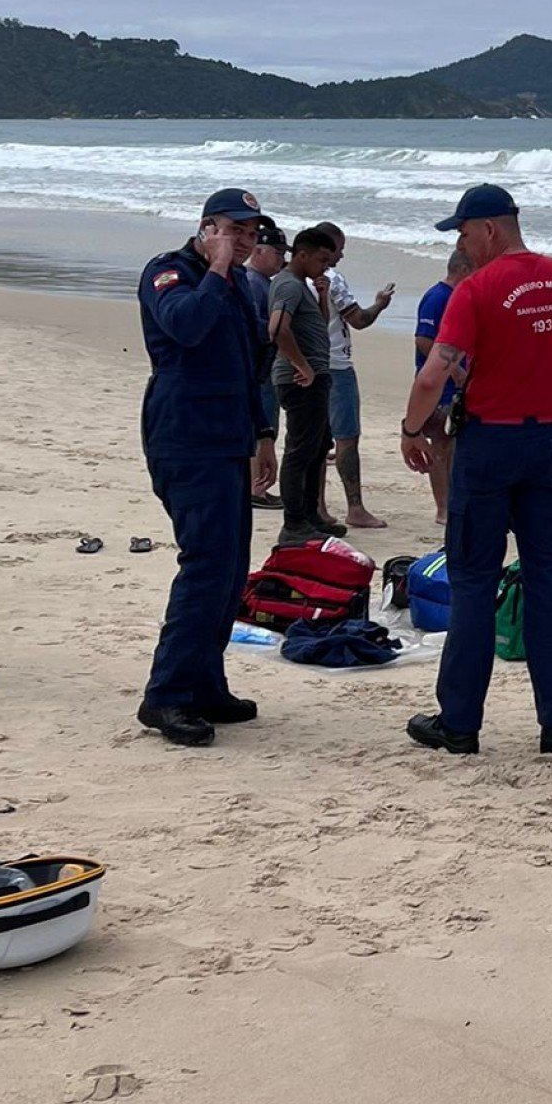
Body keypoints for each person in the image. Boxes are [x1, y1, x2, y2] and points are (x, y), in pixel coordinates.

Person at [398, 183, 552, 756]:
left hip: (488, 446)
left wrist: (410, 430)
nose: (462, 242)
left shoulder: (477, 288)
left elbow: (433, 375)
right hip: (549, 443)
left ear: (490, 230)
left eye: (464, 232)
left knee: (475, 582)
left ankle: (459, 723)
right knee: (547, 580)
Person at [133, 187, 272, 747]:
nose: (244, 241)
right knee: (205, 565)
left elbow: (248, 364)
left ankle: (205, 683)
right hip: (186, 436)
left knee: (230, 569)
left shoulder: (239, 284)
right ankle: (166, 695)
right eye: (234, 230)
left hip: (229, 436)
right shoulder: (172, 273)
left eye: (251, 233)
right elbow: (184, 327)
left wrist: (263, 434)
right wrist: (216, 269)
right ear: (207, 228)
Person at [304, 222, 396, 531]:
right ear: (327, 249)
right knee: (346, 438)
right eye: (339, 249)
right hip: (336, 365)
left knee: (315, 438)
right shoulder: (332, 279)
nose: (341, 256)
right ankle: (355, 507)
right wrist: (380, 305)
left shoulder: (291, 277)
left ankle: (317, 505)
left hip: (306, 365)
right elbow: (358, 320)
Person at [269, 227, 342, 545]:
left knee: (316, 448)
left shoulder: (303, 286)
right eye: (322, 259)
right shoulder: (287, 284)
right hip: (299, 379)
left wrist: (323, 296)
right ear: (302, 254)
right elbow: (277, 328)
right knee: (300, 451)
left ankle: (310, 516)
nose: (327, 266)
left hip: (314, 375)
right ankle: (294, 523)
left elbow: (316, 326)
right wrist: (303, 366)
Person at [412, 246, 471, 524]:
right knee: (441, 446)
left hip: (459, 389)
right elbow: (423, 341)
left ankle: (453, 502)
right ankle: (442, 507)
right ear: (462, 270)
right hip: (441, 389)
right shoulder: (437, 298)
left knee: (455, 447)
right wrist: (455, 371)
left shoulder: (461, 298)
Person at [243, 221, 287, 509]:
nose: (282, 259)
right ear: (259, 250)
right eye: (278, 252)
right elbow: (256, 329)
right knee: (262, 427)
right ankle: (255, 489)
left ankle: (255, 487)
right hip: (259, 371)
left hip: (263, 368)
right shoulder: (252, 282)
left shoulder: (260, 282)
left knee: (265, 425)